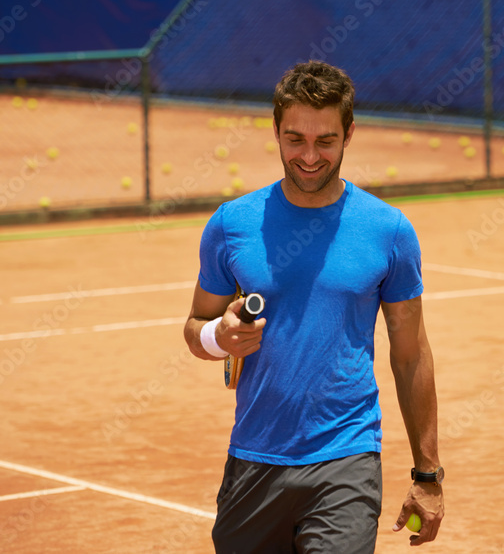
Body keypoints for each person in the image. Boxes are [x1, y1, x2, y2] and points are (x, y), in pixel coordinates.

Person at [183, 60, 443, 552]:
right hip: (254, 459)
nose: (308, 156)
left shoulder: (388, 230)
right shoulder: (231, 224)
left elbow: (410, 354)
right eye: (294, 139)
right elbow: (196, 326)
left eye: (325, 141)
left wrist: (427, 473)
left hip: (346, 458)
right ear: (276, 132)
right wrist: (221, 336)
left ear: (348, 134)